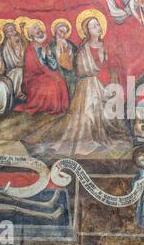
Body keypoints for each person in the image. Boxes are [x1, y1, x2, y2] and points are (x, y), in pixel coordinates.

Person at [23, 10, 130, 156]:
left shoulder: (107, 47)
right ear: (86, 31)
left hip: (106, 86)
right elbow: (79, 70)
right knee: (86, 114)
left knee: (108, 116)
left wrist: (110, 83)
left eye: (98, 25)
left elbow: (114, 69)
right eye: (93, 26)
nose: (98, 28)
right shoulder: (82, 50)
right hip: (87, 87)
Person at [14, 19, 69, 115]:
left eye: (39, 28)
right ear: (30, 34)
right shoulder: (30, 49)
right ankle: (48, 108)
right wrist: (42, 59)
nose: (39, 31)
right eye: (35, 28)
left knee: (60, 80)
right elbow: (32, 69)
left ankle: (60, 108)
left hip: (46, 74)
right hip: (33, 78)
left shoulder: (45, 46)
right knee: (51, 84)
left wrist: (49, 55)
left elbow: (54, 66)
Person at [46, 19, 78, 99]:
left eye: (65, 32)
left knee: (73, 84)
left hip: (70, 70)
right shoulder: (51, 45)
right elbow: (49, 62)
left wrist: (69, 50)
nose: (62, 34)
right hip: (58, 71)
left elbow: (77, 55)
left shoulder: (70, 44)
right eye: (60, 31)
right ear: (55, 31)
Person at [0, 19, 28, 101]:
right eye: (10, 30)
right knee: (19, 72)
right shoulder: (7, 45)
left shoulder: (21, 40)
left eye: (13, 29)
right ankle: (18, 94)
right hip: (13, 70)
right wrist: (22, 63)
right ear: (7, 34)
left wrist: (22, 30)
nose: (13, 31)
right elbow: (11, 62)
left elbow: (27, 48)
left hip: (25, 67)